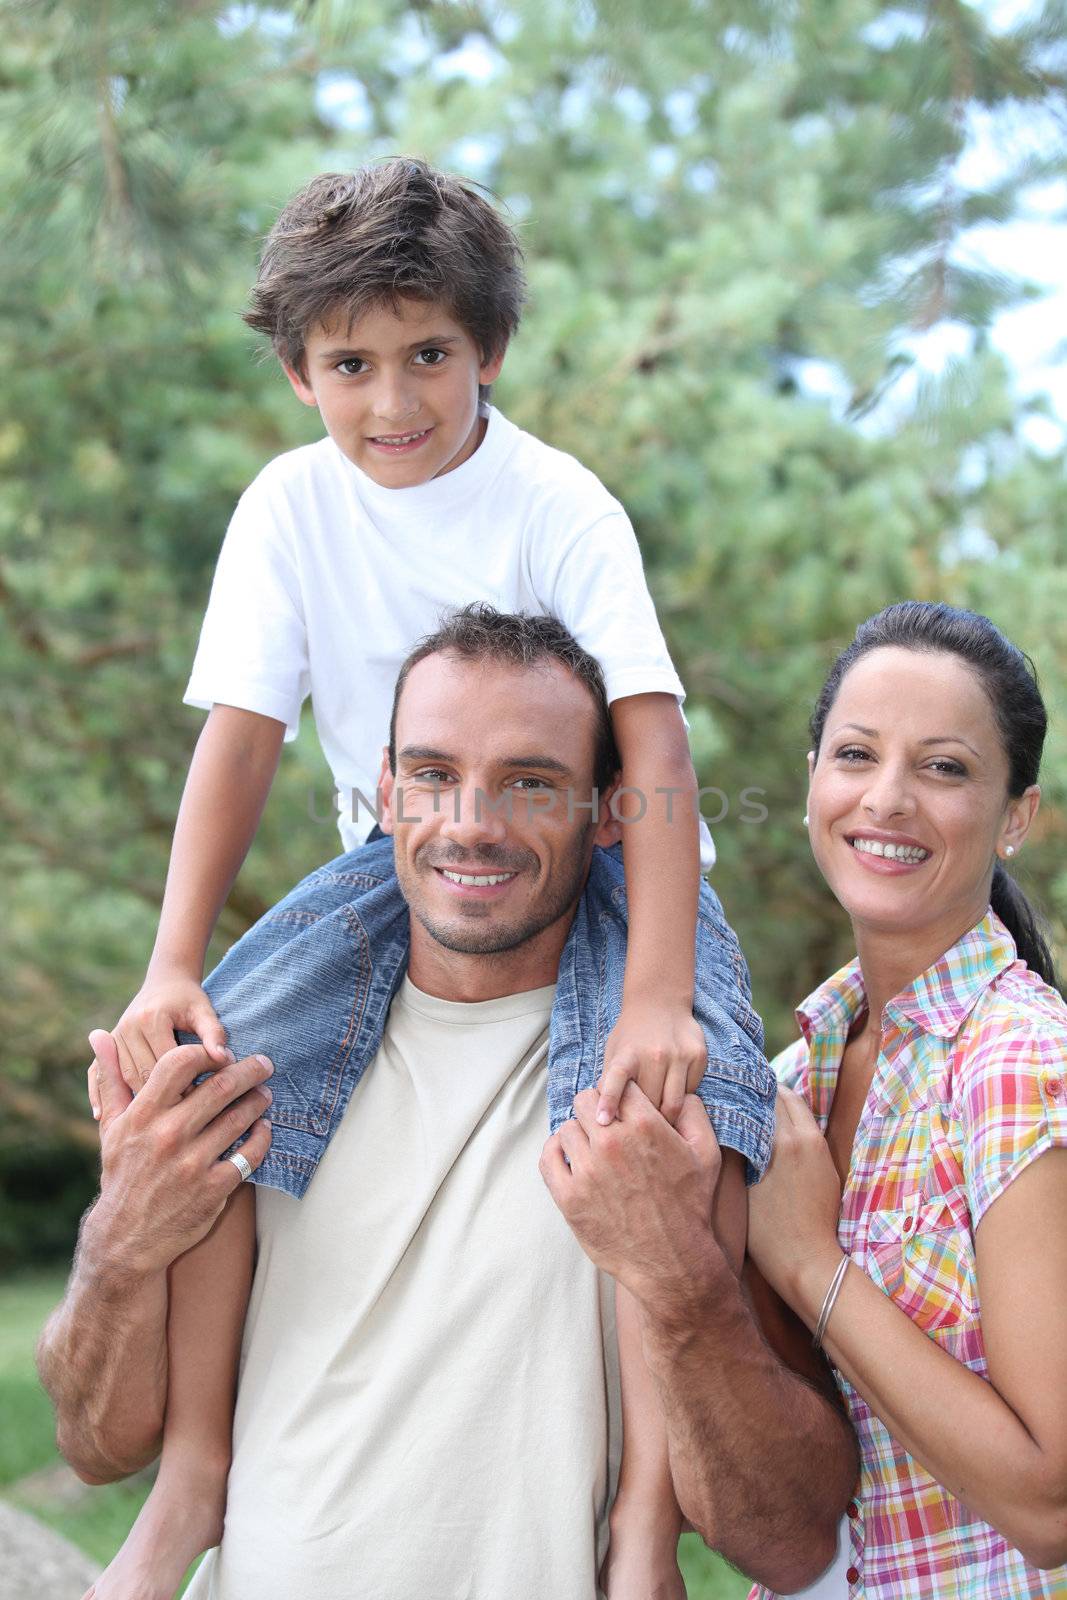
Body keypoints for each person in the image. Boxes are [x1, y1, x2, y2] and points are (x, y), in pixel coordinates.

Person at [82, 156, 738, 1596]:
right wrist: (171, 962)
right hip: (398, 863)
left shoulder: (559, 504)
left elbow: (653, 740)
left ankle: (639, 1518)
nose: (392, 401)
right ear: (296, 370)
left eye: (428, 354)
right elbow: (242, 742)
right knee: (213, 1079)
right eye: (350, 363)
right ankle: (197, 1478)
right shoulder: (286, 510)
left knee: (673, 1108)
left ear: (488, 348)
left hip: (615, 857)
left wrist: (657, 994)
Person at [40, 617, 858, 1599]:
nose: (471, 821)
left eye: (529, 782)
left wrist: (682, 1282)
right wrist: (122, 1237)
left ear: (606, 812)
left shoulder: (661, 1089)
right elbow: (92, 1446)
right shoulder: (273, 1061)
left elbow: (788, 1538)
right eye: (432, 773)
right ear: (385, 791)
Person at [743, 601, 1067, 1599]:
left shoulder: (1014, 1058)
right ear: (810, 780)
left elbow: (1049, 1503)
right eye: (853, 754)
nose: (884, 799)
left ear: (1015, 815)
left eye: (941, 767)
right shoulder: (794, 1078)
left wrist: (808, 1263)